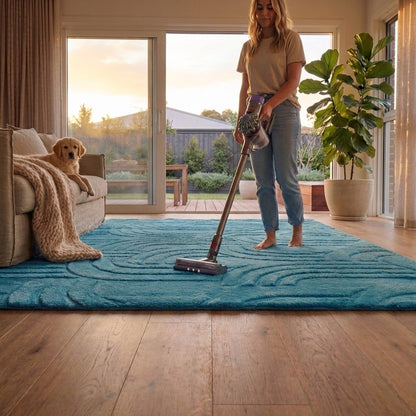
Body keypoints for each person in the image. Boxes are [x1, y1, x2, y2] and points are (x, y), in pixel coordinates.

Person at [234, 0, 305, 250]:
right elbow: (245, 87)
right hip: (255, 112)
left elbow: (293, 81)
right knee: (263, 181)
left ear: (279, 10)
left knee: (286, 178)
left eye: (270, 7)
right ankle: (270, 234)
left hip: (284, 111)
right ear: (254, 11)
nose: (265, 12)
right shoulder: (248, 47)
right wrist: (240, 119)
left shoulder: (290, 39)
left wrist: (271, 104)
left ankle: (296, 231)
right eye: (260, 7)